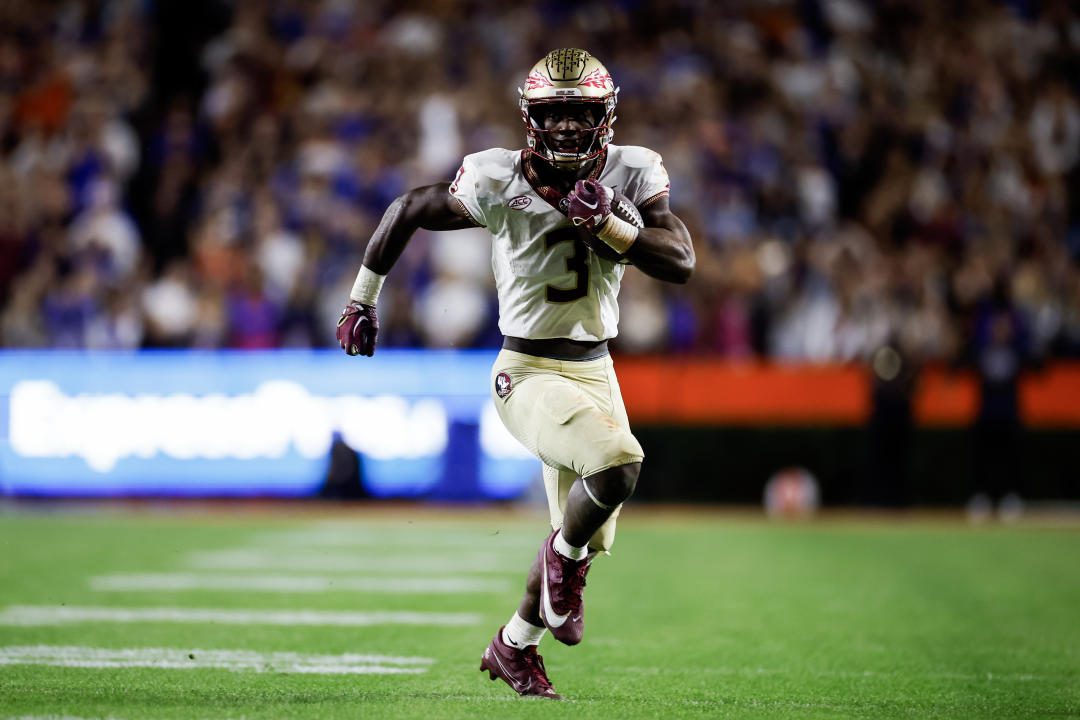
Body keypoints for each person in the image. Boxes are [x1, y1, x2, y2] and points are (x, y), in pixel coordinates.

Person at [336, 48, 694, 700]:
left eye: (576, 113)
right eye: (553, 114)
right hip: (526, 369)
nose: (563, 128)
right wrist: (362, 298)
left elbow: (680, 260)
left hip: (596, 369)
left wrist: (612, 227)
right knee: (617, 467)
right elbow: (411, 207)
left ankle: (514, 645)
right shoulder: (498, 177)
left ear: (604, 116)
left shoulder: (633, 170)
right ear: (531, 118)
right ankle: (558, 568)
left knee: (583, 531)